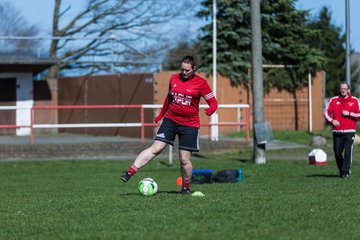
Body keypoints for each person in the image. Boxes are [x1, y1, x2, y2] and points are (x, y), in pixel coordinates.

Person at [120, 55, 218, 193]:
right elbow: (169, 99)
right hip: (171, 120)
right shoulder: (173, 79)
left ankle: (185, 188)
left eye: (187, 71)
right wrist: (160, 115)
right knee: (156, 148)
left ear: (194, 68)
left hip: (189, 125)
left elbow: (213, 102)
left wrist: (210, 110)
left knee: (184, 159)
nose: (183, 73)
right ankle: (129, 172)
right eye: (182, 69)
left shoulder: (201, 83)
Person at [324, 82, 360, 179]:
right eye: (341, 88)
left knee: (348, 151)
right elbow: (326, 112)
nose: (343, 90)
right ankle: (342, 170)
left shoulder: (355, 100)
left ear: (348, 90)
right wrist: (332, 120)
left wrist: (349, 113)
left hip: (350, 131)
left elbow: (359, 115)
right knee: (337, 153)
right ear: (340, 89)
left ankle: (345, 172)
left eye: (345, 88)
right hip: (337, 131)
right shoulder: (334, 100)